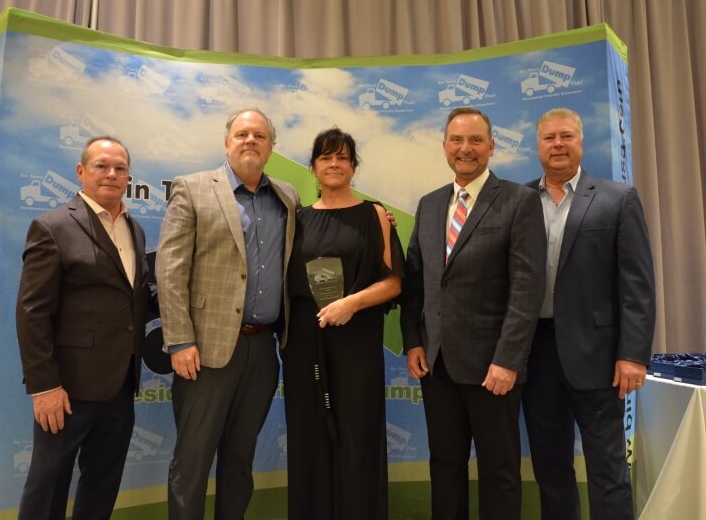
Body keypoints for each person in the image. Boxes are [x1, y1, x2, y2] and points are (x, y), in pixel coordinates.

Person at [400, 107, 546, 520]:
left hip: (493, 370)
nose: (466, 149)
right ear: (445, 146)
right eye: (457, 140)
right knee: (445, 466)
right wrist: (413, 340)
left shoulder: (519, 201)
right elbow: (415, 281)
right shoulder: (429, 205)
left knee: (499, 471)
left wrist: (507, 360)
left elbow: (527, 289)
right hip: (437, 365)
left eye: (476, 141)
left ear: (492, 147)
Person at [156, 108, 300, 520]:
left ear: (271, 147)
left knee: (240, 460)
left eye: (260, 135)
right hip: (205, 351)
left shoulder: (287, 196)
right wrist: (180, 340)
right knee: (193, 461)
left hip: (263, 351)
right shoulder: (193, 188)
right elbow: (169, 271)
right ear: (227, 142)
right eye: (242, 134)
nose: (250, 140)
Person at [521, 107, 655, 520]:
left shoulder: (618, 198)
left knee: (607, 467)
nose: (557, 144)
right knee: (550, 468)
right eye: (549, 138)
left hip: (599, 357)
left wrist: (633, 354)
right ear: (538, 146)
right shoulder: (517, 201)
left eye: (566, 136)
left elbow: (637, 284)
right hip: (536, 355)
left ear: (580, 142)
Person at [15, 136, 149, 520]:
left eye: (120, 168)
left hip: (121, 385)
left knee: (102, 484)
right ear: (81, 171)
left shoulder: (135, 229)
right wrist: (44, 387)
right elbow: (31, 312)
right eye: (101, 166)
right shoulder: (52, 226)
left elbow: (136, 297)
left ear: (128, 177)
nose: (111, 174)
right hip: (66, 390)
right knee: (48, 486)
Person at [282, 128, 403, 520]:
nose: (334, 164)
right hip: (303, 343)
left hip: (356, 341)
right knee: (309, 437)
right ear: (314, 168)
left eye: (343, 157)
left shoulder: (374, 215)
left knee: (356, 435)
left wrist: (351, 303)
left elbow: (393, 281)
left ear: (353, 166)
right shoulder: (295, 219)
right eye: (325, 157)